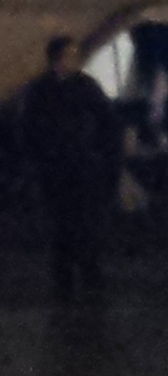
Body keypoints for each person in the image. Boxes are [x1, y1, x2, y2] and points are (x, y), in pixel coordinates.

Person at [20, 36, 118, 299]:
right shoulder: (40, 91)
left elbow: (107, 122)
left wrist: (104, 155)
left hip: (84, 166)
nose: (73, 61)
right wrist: (39, 159)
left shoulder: (86, 87)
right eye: (68, 56)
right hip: (55, 169)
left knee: (87, 222)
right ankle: (64, 277)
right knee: (61, 224)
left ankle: (90, 273)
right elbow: (29, 129)